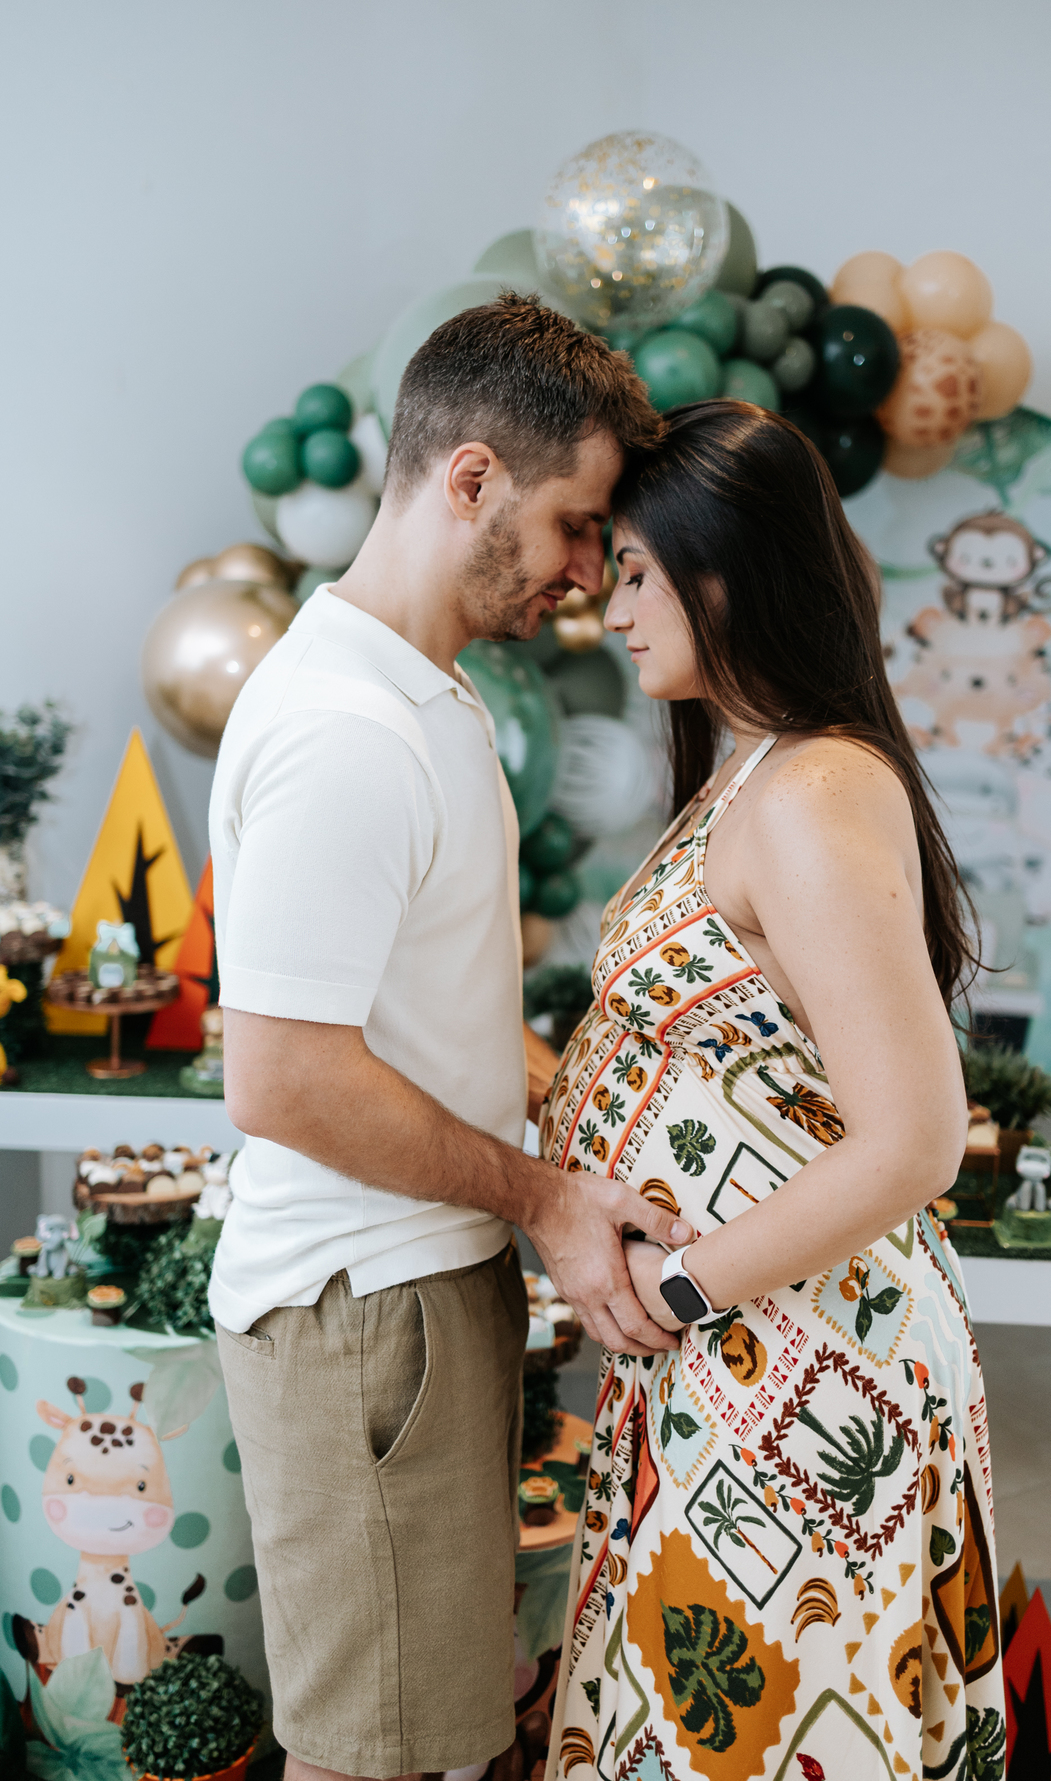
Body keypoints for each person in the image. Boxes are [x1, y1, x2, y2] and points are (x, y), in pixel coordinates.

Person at [208, 295, 697, 1781]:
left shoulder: (428, 704)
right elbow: (284, 1077)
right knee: (376, 1760)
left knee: (427, 1740)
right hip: (368, 1313)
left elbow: (420, 1027)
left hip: (420, 1296)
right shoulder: (347, 730)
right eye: (575, 526)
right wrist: (547, 1200)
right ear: (470, 477)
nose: (583, 573)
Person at [545, 400, 1005, 1781]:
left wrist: (680, 1292)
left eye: (635, 569)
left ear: (726, 570)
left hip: (803, 1370)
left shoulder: (811, 788)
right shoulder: (748, 774)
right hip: (731, 1363)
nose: (609, 604)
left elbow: (918, 1136)